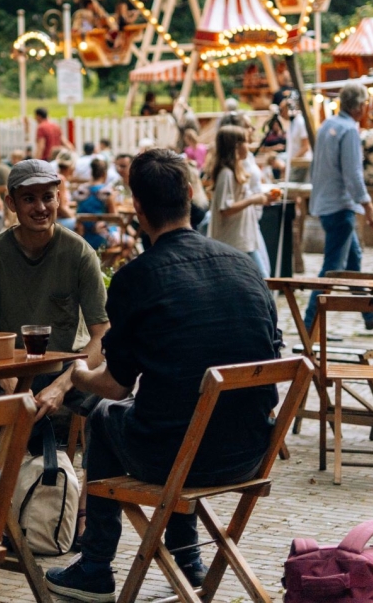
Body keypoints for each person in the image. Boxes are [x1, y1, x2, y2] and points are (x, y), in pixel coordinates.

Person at [45, 150, 281, 598]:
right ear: (190, 195)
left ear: (138, 206)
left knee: (106, 415)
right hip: (251, 450)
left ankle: (96, 565)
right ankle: (187, 556)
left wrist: (76, 376)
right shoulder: (245, 267)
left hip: (179, 457)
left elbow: (113, 385)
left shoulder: (138, 278)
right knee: (177, 410)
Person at [0, 160, 109, 425]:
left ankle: (96, 467)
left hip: (66, 367)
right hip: (8, 367)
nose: (40, 208)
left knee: (113, 400)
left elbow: (101, 333)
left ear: (58, 199)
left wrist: (63, 386)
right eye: (29, 199)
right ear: (11, 204)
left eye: (47, 197)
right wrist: (14, 388)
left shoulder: (79, 253)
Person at [303, 82, 373, 330]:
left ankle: (368, 313)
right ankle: (308, 323)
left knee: (352, 260)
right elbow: (353, 174)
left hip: (328, 202)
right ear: (360, 105)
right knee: (332, 269)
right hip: (340, 205)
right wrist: (369, 208)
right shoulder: (349, 130)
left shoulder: (328, 125)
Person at [208, 125, 279, 278]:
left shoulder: (236, 171)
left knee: (260, 278)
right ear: (236, 146)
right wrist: (253, 200)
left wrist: (263, 199)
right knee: (262, 278)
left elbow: (242, 199)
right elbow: (225, 209)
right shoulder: (226, 174)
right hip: (232, 242)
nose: (249, 146)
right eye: (246, 142)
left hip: (243, 239)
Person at [55, 153, 78, 230]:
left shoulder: (57, 176)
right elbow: (61, 208)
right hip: (59, 220)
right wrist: (75, 218)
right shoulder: (60, 179)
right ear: (70, 168)